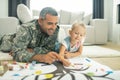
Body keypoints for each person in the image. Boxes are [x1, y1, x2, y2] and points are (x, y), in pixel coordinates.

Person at [0, 7, 70, 66]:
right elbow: (17, 54)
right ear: (40, 21)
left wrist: (31, 50)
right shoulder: (26, 28)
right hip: (6, 42)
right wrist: (41, 57)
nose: (53, 27)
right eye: (50, 23)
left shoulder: (55, 29)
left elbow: (49, 49)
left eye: (55, 23)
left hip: (26, 45)